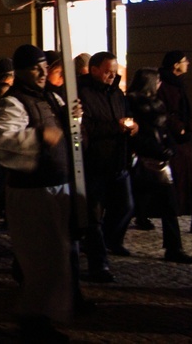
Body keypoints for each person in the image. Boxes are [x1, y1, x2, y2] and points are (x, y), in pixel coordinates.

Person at [0, 44, 79, 343]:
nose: (41, 73)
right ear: (21, 72)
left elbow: (64, 131)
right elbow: (0, 141)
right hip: (33, 191)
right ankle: (33, 321)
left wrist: (71, 119)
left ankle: (45, 316)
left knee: (57, 255)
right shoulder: (14, 102)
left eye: (44, 67)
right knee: (41, 258)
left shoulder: (50, 96)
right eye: (34, 68)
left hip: (56, 184)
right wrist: (38, 137)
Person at [77, 52, 137, 283]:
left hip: (118, 161)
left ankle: (106, 242)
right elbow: (87, 127)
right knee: (93, 216)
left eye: (114, 71)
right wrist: (116, 127)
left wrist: (132, 127)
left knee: (126, 205)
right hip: (95, 163)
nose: (112, 75)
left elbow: (126, 115)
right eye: (107, 71)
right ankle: (98, 263)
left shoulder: (117, 92)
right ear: (94, 69)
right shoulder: (83, 93)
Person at [127, 67, 192, 264]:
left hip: (160, 162)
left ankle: (174, 248)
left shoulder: (157, 104)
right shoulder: (133, 104)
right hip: (143, 161)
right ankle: (110, 239)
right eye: (157, 81)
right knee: (129, 205)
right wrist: (157, 149)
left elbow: (163, 132)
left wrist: (170, 148)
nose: (159, 84)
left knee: (168, 205)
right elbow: (137, 135)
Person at [157, 50, 192, 235]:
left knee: (187, 181)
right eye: (184, 61)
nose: (187, 63)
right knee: (172, 182)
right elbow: (163, 110)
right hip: (172, 140)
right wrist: (178, 126)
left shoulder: (177, 83)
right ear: (175, 65)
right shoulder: (164, 84)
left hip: (181, 140)